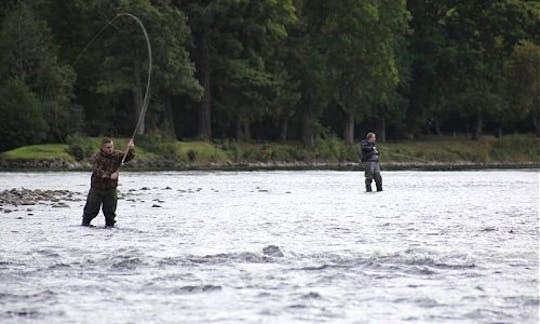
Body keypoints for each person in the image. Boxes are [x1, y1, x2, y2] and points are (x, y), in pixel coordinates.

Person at [81, 138, 135, 227]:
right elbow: (97, 171)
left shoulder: (117, 155)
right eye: (108, 147)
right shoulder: (96, 157)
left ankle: (110, 229)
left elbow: (128, 157)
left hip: (111, 189)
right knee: (90, 212)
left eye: (111, 147)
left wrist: (131, 148)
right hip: (97, 189)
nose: (110, 149)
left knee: (110, 214)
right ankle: (85, 226)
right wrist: (110, 176)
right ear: (102, 148)